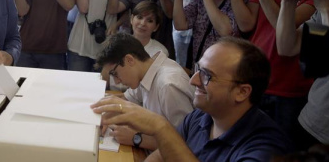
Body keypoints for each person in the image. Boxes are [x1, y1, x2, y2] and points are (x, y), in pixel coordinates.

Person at [92, 37, 292, 161]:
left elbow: (168, 142)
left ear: (242, 92)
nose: (194, 81)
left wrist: (160, 127)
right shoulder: (199, 118)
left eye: (207, 75)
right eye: (198, 70)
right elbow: (163, 153)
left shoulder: (265, 149)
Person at [228, 0, 320, 141]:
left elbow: (284, 25)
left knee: (279, 151)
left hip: (289, 90)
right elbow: (246, 22)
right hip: (256, 80)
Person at [96, 33, 194, 151]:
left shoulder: (168, 86)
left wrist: (136, 138)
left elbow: (186, 142)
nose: (116, 82)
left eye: (114, 73)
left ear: (129, 60)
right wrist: (106, 117)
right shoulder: (145, 69)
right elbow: (126, 99)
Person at [276, 0, 329, 150]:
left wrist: (326, 10)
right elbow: (287, 47)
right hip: (314, 120)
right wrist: (288, 1)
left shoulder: (328, 7)